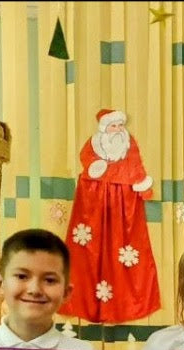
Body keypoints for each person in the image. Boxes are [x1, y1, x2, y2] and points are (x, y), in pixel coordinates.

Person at [62, 108, 161, 324]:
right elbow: (86, 159)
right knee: (87, 247)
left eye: (120, 126)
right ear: (105, 128)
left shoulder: (128, 144)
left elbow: (136, 165)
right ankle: (85, 302)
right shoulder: (95, 144)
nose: (118, 129)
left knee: (127, 249)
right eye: (113, 126)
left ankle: (124, 304)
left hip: (125, 200)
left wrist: (141, 184)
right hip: (92, 197)